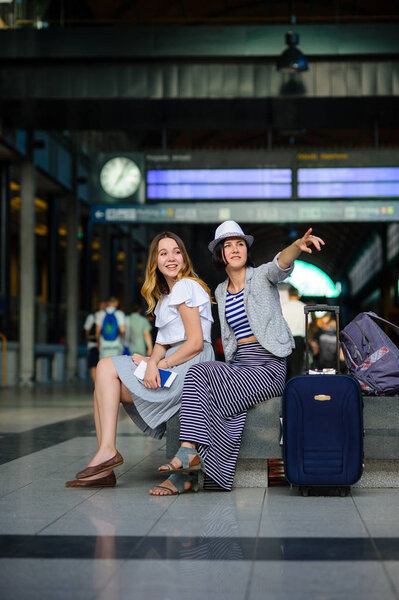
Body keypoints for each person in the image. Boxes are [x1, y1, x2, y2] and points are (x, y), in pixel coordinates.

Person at [151, 221, 324, 495]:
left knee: (201, 378)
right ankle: (186, 471)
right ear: (220, 254)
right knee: (206, 387)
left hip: (267, 369)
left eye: (240, 244)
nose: (234, 249)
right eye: (228, 245)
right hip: (240, 368)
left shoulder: (262, 276)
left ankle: (187, 460)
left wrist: (296, 247)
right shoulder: (219, 291)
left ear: (246, 250)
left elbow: (280, 263)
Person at [66, 231, 214, 488]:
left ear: (184, 257)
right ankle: (105, 464)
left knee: (104, 366)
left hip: (191, 367)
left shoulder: (186, 285)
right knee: (102, 386)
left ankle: (108, 451)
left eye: (176, 251)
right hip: (175, 360)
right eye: (163, 253)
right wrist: (150, 361)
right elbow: (161, 344)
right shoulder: (165, 296)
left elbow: (195, 343)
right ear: (154, 261)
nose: (171, 258)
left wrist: (157, 365)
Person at [281, 285, 306, 379]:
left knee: (287, 367)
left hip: (286, 339)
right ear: (298, 295)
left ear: (288, 295)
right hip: (299, 340)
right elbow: (307, 326)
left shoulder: (283, 307)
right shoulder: (304, 307)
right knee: (297, 368)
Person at [83, 301, 107, 383]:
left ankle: (97, 384)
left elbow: (87, 329)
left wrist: (89, 338)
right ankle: (98, 383)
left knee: (94, 364)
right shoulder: (106, 316)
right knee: (98, 363)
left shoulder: (92, 316)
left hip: (94, 344)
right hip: (102, 344)